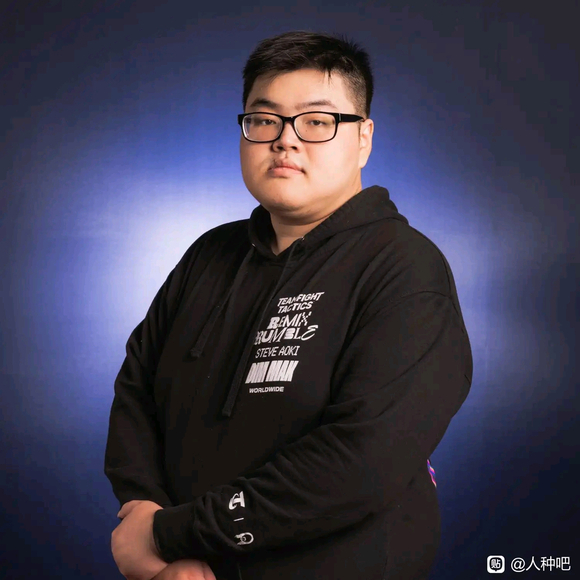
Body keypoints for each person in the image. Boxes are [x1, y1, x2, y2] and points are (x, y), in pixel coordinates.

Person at [105, 30, 473, 580]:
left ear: (364, 138)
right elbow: (136, 391)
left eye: (317, 121)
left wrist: (169, 535)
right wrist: (145, 514)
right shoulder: (209, 254)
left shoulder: (405, 270)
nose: (285, 141)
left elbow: (360, 463)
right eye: (264, 119)